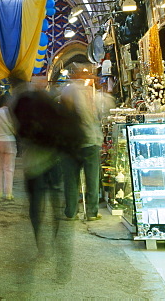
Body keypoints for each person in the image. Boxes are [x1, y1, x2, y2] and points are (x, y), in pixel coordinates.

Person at [12, 76, 77, 250]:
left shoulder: (23, 104)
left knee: (36, 204)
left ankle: (38, 238)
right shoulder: (49, 104)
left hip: (33, 164)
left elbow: (20, 131)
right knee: (55, 200)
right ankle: (56, 235)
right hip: (52, 159)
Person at [60, 63, 112, 221]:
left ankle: (71, 212)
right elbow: (107, 108)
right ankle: (91, 212)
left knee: (71, 179)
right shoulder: (94, 93)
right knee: (92, 179)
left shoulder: (68, 90)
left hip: (70, 142)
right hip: (90, 140)